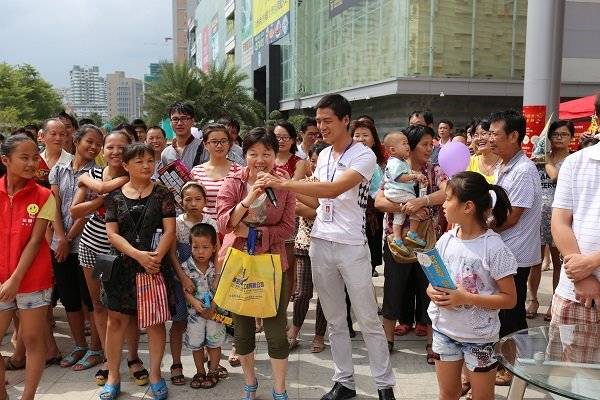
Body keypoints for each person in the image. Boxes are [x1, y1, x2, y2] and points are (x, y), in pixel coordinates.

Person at [258, 94, 396, 400]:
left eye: (327, 121)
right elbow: (317, 200)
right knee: (334, 319)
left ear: (345, 120)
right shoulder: (323, 156)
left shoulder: (364, 155)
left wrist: (285, 185)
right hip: (320, 243)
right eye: (318, 121)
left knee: (368, 318)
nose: (321, 127)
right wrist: (281, 191)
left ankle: (384, 385)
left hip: (351, 246)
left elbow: (333, 189)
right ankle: (344, 381)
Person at [216, 127, 295, 400]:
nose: (260, 160)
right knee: (243, 331)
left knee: (276, 332)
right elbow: (224, 223)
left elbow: (287, 228)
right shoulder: (233, 182)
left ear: (275, 155)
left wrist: (252, 233)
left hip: (273, 264)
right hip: (239, 263)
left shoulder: (283, 183)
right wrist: (250, 197)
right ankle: (250, 383)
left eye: (266, 153)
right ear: (244, 154)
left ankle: (280, 387)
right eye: (253, 153)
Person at [427, 171, 517, 400]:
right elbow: (434, 280)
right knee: (447, 394)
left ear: (468, 207)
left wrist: (465, 298)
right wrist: (432, 291)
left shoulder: (493, 247)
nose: (444, 204)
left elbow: (509, 299)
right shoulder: (446, 239)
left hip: (480, 338)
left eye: (448, 198)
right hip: (443, 331)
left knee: (482, 396)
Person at [70, 130, 150, 386]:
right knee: (99, 306)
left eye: (121, 147)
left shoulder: (136, 176)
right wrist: (101, 200)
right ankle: (108, 358)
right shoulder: (91, 174)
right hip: (92, 248)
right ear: (103, 151)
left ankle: (134, 357)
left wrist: (103, 189)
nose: (115, 151)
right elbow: (74, 211)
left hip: (125, 252)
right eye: (110, 147)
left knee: (129, 309)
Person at [101, 143, 176, 400]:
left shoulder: (163, 193)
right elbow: (112, 233)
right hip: (122, 268)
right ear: (125, 165)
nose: (146, 166)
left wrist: (153, 258)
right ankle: (113, 375)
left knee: (155, 322)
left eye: (149, 161)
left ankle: (155, 374)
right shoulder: (115, 196)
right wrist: (137, 255)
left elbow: (169, 230)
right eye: (139, 161)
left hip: (154, 266)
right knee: (116, 321)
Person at [375, 124, 448, 364]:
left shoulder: (435, 170)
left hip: (428, 242)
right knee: (393, 291)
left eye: (432, 144)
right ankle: (387, 340)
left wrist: (422, 201)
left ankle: (432, 343)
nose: (430, 148)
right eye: (424, 144)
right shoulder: (394, 168)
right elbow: (379, 202)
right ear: (408, 146)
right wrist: (405, 207)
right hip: (397, 242)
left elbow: (447, 193)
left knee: (431, 291)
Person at [0, 134, 57, 400]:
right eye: (24, 157)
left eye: (35, 157)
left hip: (33, 281)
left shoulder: (45, 195)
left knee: (34, 342)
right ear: (5, 160)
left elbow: (36, 242)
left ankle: (28, 397)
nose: (32, 163)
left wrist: (15, 279)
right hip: (1, 280)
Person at [488, 110, 542, 386]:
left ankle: (515, 367)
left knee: (512, 310)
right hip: (505, 250)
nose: (490, 139)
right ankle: (510, 361)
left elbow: (513, 216)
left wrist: (484, 229)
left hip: (516, 253)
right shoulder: (503, 165)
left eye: (496, 134)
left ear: (514, 136)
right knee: (506, 310)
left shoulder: (522, 169)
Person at [49, 125, 103, 370]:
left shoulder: (98, 175)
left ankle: (95, 349)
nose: (93, 147)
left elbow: (87, 212)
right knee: (70, 299)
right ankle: (79, 345)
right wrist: (60, 238)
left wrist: (68, 239)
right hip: (59, 245)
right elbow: (54, 206)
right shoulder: (58, 170)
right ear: (77, 140)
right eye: (89, 142)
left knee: (91, 301)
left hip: (86, 245)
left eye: (97, 144)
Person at [550, 95, 600, 328]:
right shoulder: (576, 163)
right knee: (568, 365)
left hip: (580, 277)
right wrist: (582, 275)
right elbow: (560, 222)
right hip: (575, 293)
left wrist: (590, 263)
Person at [167, 182, 221, 386]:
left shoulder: (211, 222)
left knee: (208, 319)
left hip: (207, 280)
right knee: (180, 320)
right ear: (181, 201)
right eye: (187, 199)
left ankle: (212, 366)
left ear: (206, 201)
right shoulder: (177, 222)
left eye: (198, 199)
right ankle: (176, 364)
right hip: (184, 277)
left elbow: (216, 252)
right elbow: (172, 253)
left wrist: (216, 277)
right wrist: (183, 277)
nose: (193, 203)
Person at [526, 120, 573, 321]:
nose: (559, 138)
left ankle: (554, 302)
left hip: (559, 216)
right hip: (537, 214)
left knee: (557, 261)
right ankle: (532, 299)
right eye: (555, 135)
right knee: (534, 260)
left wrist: (546, 162)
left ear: (571, 138)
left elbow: (558, 178)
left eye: (564, 134)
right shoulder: (537, 159)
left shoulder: (572, 160)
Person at [287, 142, 330, 353]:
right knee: (303, 293)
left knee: (325, 293)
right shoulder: (303, 183)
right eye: (313, 161)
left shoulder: (335, 184)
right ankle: (294, 331)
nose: (316, 165)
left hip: (329, 245)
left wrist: (314, 207)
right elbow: (296, 208)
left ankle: (319, 335)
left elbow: (317, 209)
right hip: (305, 243)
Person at [181, 223, 226, 390]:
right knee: (196, 345)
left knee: (214, 343)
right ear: (190, 247)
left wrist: (213, 306)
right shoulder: (186, 266)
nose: (200, 251)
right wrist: (193, 302)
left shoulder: (217, 268)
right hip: (194, 316)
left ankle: (213, 371)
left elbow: (221, 288)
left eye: (205, 247)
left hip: (215, 315)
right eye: (196, 247)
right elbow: (185, 290)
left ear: (214, 248)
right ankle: (200, 372)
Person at [382, 132, 428, 254]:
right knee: (417, 203)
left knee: (399, 216)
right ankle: (412, 233)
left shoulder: (399, 162)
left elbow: (406, 171)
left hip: (394, 194)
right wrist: (415, 176)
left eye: (407, 143)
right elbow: (400, 177)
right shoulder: (395, 162)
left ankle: (397, 239)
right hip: (398, 192)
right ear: (392, 150)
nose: (407, 146)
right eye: (403, 143)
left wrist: (416, 174)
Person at [351, 119, 386, 277]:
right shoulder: (345, 161)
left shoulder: (376, 165)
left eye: (365, 135)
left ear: (373, 140)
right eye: (356, 135)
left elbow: (378, 191)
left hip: (370, 217)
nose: (360, 138)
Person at [161, 102, 206, 171]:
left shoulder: (205, 148)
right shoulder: (166, 153)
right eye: (175, 119)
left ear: (192, 121)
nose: (179, 123)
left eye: (184, 118)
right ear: (170, 122)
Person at [39, 118, 73, 186]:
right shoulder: (36, 160)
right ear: (42, 136)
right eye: (53, 134)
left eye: (62, 134)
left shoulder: (72, 161)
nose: (58, 138)